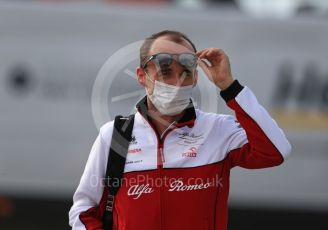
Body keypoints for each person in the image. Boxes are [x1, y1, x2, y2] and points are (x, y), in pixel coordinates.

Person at [69, 30, 292, 230]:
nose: (177, 82)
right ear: (141, 76)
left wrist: (229, 86)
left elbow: (276, 151)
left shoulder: (218, 130)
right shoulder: (114, 135)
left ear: (196, 77)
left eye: (186, 72)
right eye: (165, 73)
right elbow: (83, 211)